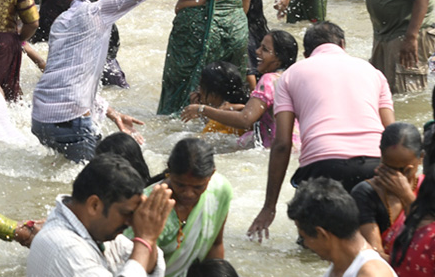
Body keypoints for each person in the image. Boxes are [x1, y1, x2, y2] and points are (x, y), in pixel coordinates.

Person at [249, 22, 394, 241]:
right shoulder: (373, 72)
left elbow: (282, 144)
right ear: (343, 44)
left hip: (322, 166)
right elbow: (393, 134)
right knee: (375, 247)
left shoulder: (290, 76)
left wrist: (269, 207)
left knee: (315, 248)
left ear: (306, 54)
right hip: (375, 166)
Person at [30, 0, 169, 162]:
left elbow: (70, 79)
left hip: (40, 119)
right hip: (70, 119)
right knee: (94, 181)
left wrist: (112, 113)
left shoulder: (61, 21)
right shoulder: (97, 10)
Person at [27, 153, 172, 277]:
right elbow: (142, 253)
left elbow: (146, 264)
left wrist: (149, 237)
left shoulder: (97, 231)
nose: (130, 221)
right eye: (126, 213)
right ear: (94, 205)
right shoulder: (63, 245)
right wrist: (145, 238)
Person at [181, 29, 299, 149]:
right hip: (300, 147)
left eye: (264, 49)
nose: (257, 52)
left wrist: (203, 110)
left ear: (279, 58)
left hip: (277, 150)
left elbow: (245, 119)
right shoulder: (295, 78)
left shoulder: (269, 80)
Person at [154, 138, 232, 277]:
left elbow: (215, 245)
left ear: (211, 174)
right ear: (169, 172)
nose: (189, 194)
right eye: (180, 185)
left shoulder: (219, 190)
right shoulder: (153, 205)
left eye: (198, 187)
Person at [287, 178, 395, 277]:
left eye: (304, 237)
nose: (305, 244)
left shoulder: (371, 273)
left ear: (322, 234)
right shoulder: (340, 265)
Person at [351, 122, 424, 258]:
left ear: (421, 158)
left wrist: (407, 197)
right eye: (389, 168)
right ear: (381, 156)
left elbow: (429, 236)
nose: (396, 176)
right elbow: (372, 255)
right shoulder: (365, 193)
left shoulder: (428, 187)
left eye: (404, 170)